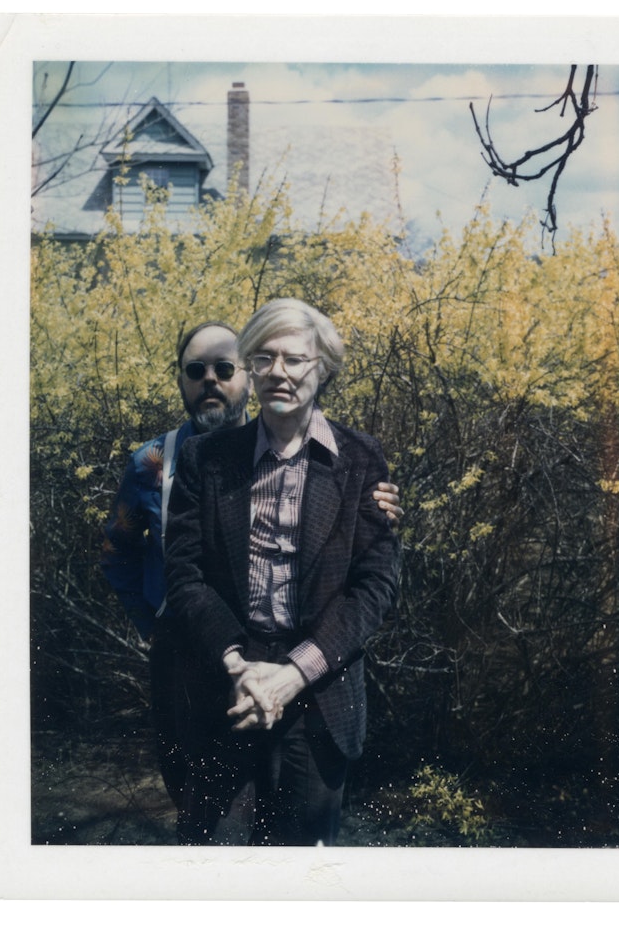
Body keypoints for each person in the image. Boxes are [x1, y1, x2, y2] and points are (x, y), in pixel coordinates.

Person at [100, 320, 402, 812]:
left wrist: (375, 509)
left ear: (246, 375)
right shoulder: (155, 461)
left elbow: (366, 571)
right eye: (195, 371)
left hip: (295, 666)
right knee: (201, 812)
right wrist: (155, 624)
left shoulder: (319, 453)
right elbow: (121, 553)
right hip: (195, 657)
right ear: (180, 379)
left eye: (224, 369)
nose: (209, 381)